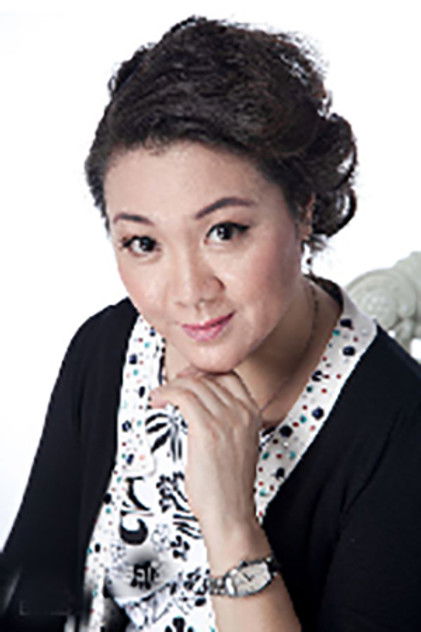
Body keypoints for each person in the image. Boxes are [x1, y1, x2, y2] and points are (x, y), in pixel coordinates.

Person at [1, 15, 421, 632]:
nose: (188, 293)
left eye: (224, 231)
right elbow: (28, 591)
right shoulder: (108, 348)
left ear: (303, 209)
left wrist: (230, 524)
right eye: (143, 243)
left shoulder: (400, 436)